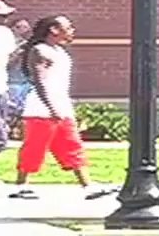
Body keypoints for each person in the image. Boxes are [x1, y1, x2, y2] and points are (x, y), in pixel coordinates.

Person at [7, 15, 111, 200]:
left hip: (61, 105)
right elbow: (39, 81)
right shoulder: (40, 51)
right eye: (68, 27)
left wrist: (62, 106)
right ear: (54, 30)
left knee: (72, 145)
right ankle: (20, 185)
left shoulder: (60, 52)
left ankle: (88, 186)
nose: (72, 31)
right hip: (41, 110)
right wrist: (51, 107)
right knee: (34, 147)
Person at [0, 0, 16, 155]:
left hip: (1, 88)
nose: (5, 19)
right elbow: (10, 61)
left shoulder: (5, 33)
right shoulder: (4, 34)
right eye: (1, 16)